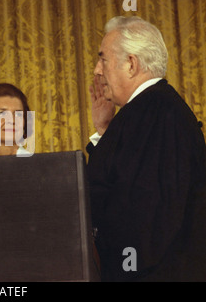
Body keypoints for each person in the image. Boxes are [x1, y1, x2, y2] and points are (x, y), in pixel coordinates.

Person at [86, 16, 206, 281]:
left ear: (131, 64)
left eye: (103, 59)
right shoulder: (147, 111)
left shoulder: (158, 112)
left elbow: (149, 219)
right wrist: (105, 131)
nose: (97, 69)